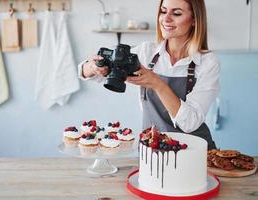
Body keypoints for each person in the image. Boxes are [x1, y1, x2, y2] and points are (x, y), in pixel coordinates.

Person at [78, 0, 219, 149]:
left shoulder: (207, 63)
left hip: (195, 153)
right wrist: (93, 67)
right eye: (163, 11)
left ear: (194, 20)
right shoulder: (146, 52)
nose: (166, 18)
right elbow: (86, 72)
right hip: (153, 151)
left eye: (176, 13)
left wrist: (158, 84)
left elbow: (189, 123)